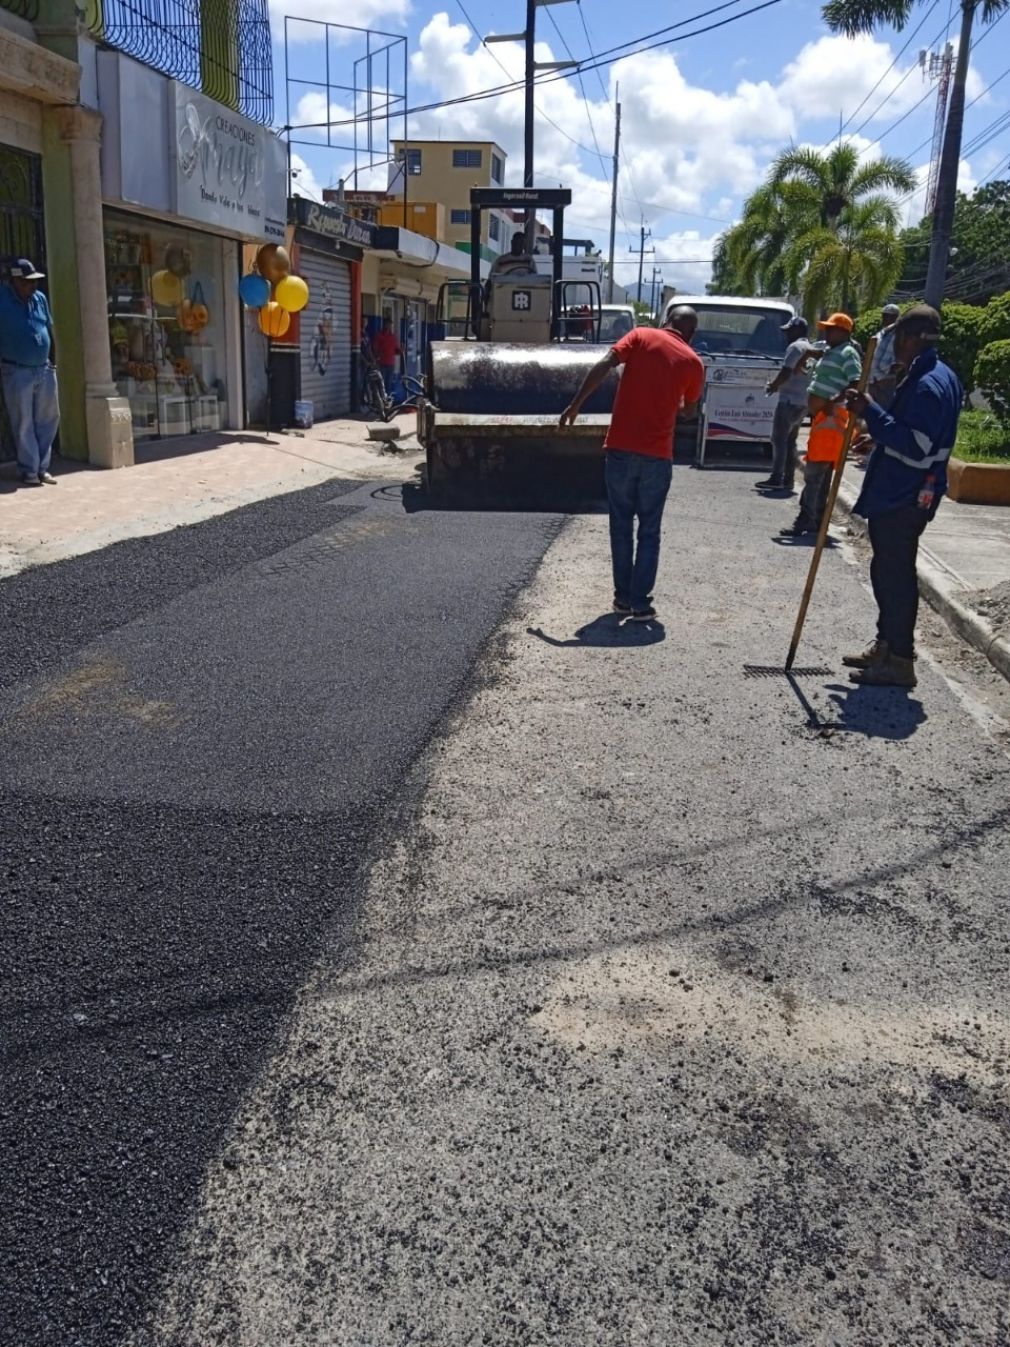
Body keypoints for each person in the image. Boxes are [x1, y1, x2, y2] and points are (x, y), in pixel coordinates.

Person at [559, 305, 704, 622]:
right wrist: (676, 400)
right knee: (649, 531)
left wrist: (575, 405)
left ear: (666, 322)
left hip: (621, 450)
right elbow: (690, 412)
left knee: (621, 526)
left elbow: (605, 364)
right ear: (691, 334)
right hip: (657, 457)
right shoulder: (693, 362)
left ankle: (622, 599)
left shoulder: (640, 335)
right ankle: (640, 604)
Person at [842, 304, 962, 688]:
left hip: (904, 496)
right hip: (902, 490)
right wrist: (877, 440)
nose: (893, 347)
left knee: (895, 577)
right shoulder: (933, 374)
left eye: (896, 339)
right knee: (886, 570)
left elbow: (917, 446)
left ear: (910, 338)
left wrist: (870, 412)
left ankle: (899, 659)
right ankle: (887, 644)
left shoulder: (928, 384)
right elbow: (908, 434)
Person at [779, 311, 861, 538]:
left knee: (814, 473)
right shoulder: (831, 351)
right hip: (821, 419)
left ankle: (806, 518)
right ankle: (815, 519)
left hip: (832, 419)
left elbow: (856, 382)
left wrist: (834, 400)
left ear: (843, 332)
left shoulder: (848, 353)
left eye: (831, 329)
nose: (826, 332)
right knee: (820, 475)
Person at [0, 258, 59, 487]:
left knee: (49, 419)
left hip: (44, 369)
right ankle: (29, 470)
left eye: (34, 282)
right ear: (14, 281)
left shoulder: (40, 299)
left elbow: (48, 330)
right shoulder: (2, 300)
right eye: (26, 282)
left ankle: (42, 468)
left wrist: (53, 361)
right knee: (23, 422)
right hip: (16, 370)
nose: (32, 286)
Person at [756, 315, 813, 493]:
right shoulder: (810, 347)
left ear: (797, 330)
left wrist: (773, 386)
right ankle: (788, 479)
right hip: (803, 402)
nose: (786, 335)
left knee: (778, 440)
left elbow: (786, 372)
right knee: (790, 442)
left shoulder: (795, 347)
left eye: (789, 331)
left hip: (788, 401)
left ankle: (776, 478)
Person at [868, 302, 901, 409]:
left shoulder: (899, 333)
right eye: (884, 315)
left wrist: (890, 372)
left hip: (885, 381)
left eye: (888, 315)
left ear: (895, 317)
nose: (885, 318)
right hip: (873, 380)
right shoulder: (882, 333)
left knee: (882, 412)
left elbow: (900, 359)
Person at [372, 317, 401, 395]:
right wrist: (377, 357)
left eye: (391, 325)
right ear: (385, 324)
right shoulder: (379, 336)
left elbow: (396, 349)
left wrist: (401, 350)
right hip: (382, 363)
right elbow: (374, 348)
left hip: (390, 363)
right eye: (388, 324)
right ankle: (381, 399)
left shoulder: (392, 337)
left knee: (388, 382)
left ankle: (387, 399)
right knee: (381, 383)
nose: (390, 326)